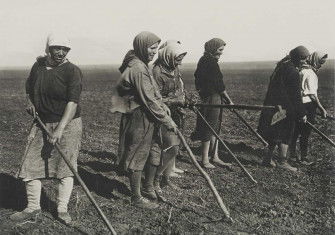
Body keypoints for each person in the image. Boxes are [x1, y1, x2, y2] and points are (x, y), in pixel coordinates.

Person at [10, 34, 83, 224]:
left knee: (65, 167)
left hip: (67, 125)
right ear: (48, 48)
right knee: (30, 165)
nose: (61, 52)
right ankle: (33, 207)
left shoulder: (72, 71)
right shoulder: (39, 66)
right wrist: (30, 102)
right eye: (56, 48)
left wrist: (59, 130)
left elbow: (72, 102)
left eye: (65, 49)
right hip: (41, 122)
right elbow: (29, 87)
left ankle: (62, 209)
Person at [111, 31, 177, 209]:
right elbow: (148, 99)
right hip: (139, 116)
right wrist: (167, 120)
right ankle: (136, 197)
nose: (154, 52)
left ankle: (147, 187)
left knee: (151, 150)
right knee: (138, 153)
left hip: (146, 115)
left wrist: (163, 106)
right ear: (141, 46)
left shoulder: (140, 63)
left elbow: (152, 93)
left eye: (156, 48)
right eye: (151, 48)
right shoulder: (138, 68)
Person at [141, 41, 187, 199]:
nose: (180, 61)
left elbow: (179, 90)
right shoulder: (157, 72)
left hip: (175, 113)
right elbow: (154, 99)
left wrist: (182, 99)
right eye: (178, 57)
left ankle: (165, 179)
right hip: (161, 115)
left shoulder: (174, 69)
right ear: (169, 55)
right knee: (169, 148)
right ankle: (155, 180)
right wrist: (175, 100)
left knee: (174, 147)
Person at [258, 46, 309, 172]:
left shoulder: (282, 67)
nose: (305, 62)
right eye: (303, 59)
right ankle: (282, 161)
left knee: (275, 133)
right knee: (286, 134)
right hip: (286, 108)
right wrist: (302, 113)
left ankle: (267, 159)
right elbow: (296, 95)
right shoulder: (293, 72)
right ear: (298, 58)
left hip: (276, 106)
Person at [191, 38, 233, 169]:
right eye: (220, 50)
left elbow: (197, 79)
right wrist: (229, 101)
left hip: (209, 97)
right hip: (213, 98)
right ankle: (205, 160)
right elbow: (219, 85)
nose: (221, 53)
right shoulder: (211, 63)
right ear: (213, 49)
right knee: (209, 127)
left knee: (214, 126)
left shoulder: (203, 60)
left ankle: (214, 156)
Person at [289, 51, 328, 165]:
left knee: (295, 131)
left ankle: (292, 155)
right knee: (305, 132)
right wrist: (322, 109)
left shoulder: (300, 70)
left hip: (298, 104)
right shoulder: (311, 73)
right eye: (320, 62)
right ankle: (304, 158)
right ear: (315, 60)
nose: (321, 65)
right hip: (308, 105)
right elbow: (312, 94)